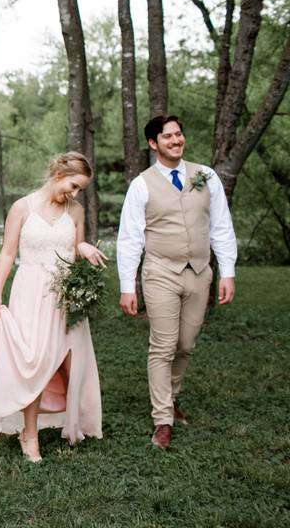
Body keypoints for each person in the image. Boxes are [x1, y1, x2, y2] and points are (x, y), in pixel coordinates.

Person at [0, 152, 105, 462]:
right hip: (30, 292)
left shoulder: (75, 211)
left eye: (80, 190)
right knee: (32, 362)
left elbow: (75, 248)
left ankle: (74, 423)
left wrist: (83, 247)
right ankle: (29, 434)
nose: (74, 194)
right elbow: (7, 253)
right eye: (73, 186)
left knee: (73, 363)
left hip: (65, 294)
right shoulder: (22, 207)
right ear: (59, 173)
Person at [117, 115, 237, 449]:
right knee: (163, 345)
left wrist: (227, 271)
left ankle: (171, 398)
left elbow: (221, 227)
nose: (176, 140)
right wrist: (128, 285)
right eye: (167, 136)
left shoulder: (205, 176)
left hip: (199, 272)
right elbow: (130, 238)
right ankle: (163, 419)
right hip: (160, 272)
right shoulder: (141, 184)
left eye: (179, 134)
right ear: (153, 144)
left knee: (185, 344)